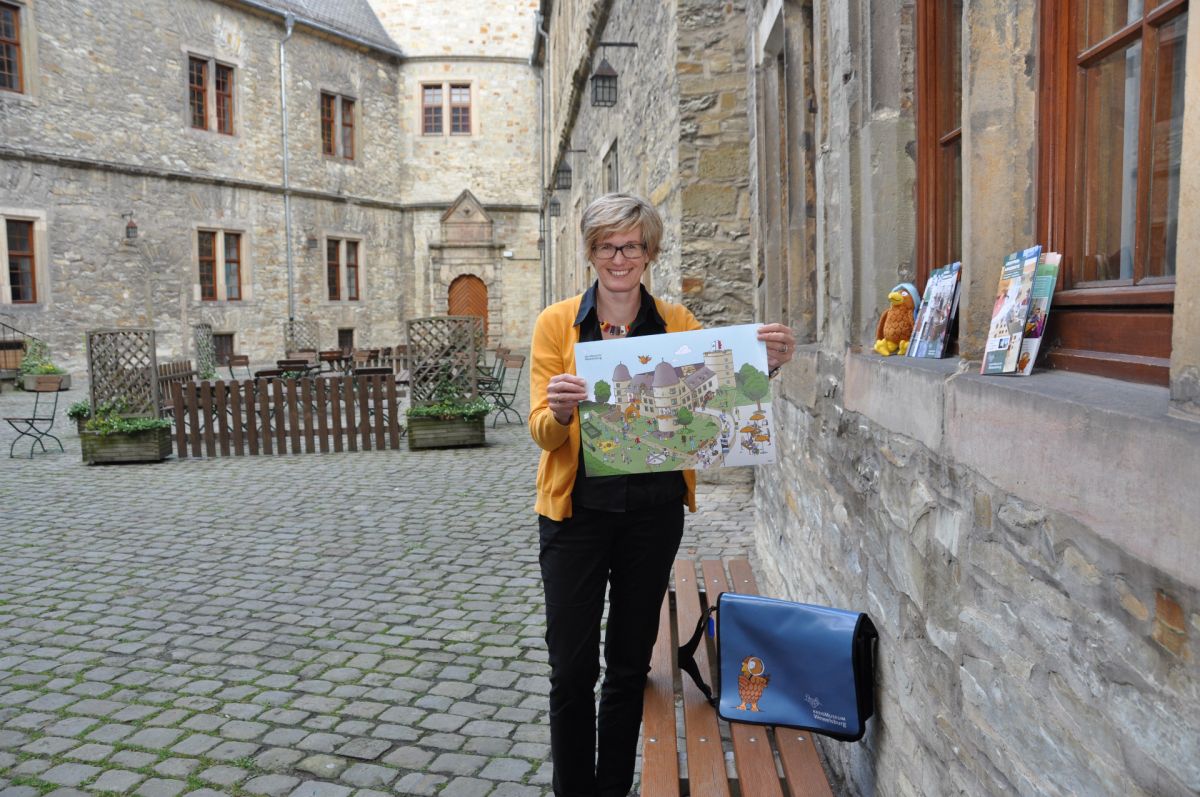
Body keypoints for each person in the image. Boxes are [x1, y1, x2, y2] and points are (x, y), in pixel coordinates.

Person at [528, 193, 795, 797]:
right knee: (570, 671)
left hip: (652, 517)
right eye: (605, 245)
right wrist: (562, 412)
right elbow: (541, 432)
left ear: (650, 252)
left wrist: (766, 365)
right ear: (591, 252)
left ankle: (613, 788)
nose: (618, 257)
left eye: (631, 245)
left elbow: (721, 393)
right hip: (576, 518)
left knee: (626, 668)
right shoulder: (556, 323)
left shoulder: (677, 323)